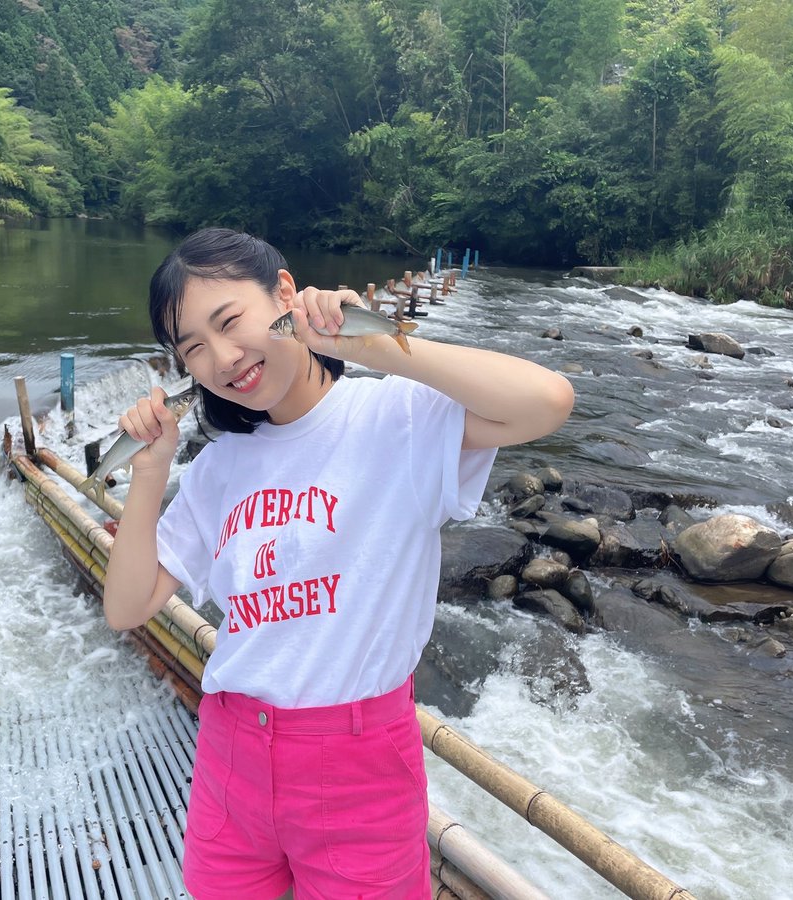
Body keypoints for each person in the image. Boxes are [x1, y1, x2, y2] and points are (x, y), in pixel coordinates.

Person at [103, 228, 574, 899]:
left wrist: (372, 345)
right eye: (194, 349)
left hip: (360, 768)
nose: (224, 358)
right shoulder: (217, 469)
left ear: (285, 293)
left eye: (229, 322)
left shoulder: (396, 419)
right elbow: (127, 607)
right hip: (230, 759)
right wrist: (149, 474)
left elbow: (547, 400)